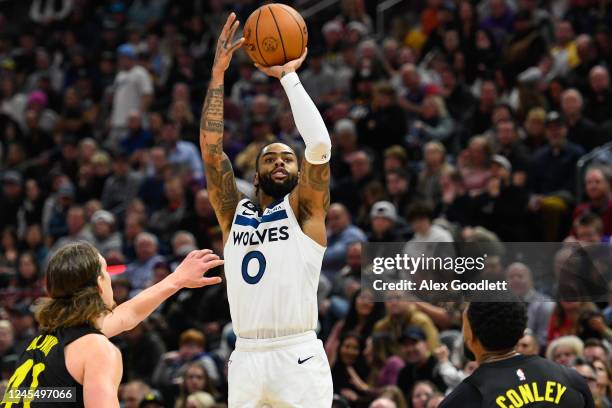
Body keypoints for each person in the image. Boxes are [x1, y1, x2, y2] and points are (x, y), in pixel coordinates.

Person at [199, 13, 333, 407]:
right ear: (255, 175)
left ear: (297, 172)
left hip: (297, 353)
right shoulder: (232, 213)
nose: (279, 162)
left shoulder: (307, 213)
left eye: (288, 159)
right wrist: (218, 73)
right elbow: (211, 152)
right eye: (270, 158)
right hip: (245, 356)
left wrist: (289, 77)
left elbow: (320, 146)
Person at [0, 241, 222, 407]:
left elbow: (127, 315)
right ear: (99, 285)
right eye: (106, 272)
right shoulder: (97, 350)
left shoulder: (48, 339)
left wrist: (177, 279)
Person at [439, 299, 595, 407]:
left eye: (464, 325)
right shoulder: (572, 379)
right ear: (520, 330)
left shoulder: (462, 400)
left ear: (471, 335)